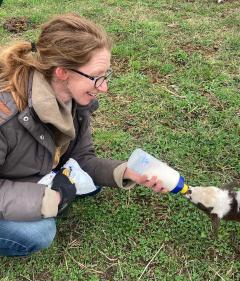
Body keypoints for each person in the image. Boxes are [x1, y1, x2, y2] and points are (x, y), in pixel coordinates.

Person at [0, 13, 166, 257]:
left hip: (22, 178)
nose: (104, 87)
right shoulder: (7, 114)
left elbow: (82, 158)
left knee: (89, 182)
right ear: (62, 72)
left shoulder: (73, 101)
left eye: (107, 76)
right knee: (38, 233)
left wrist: (127, 172)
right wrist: (49, 198)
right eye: (97, 77)